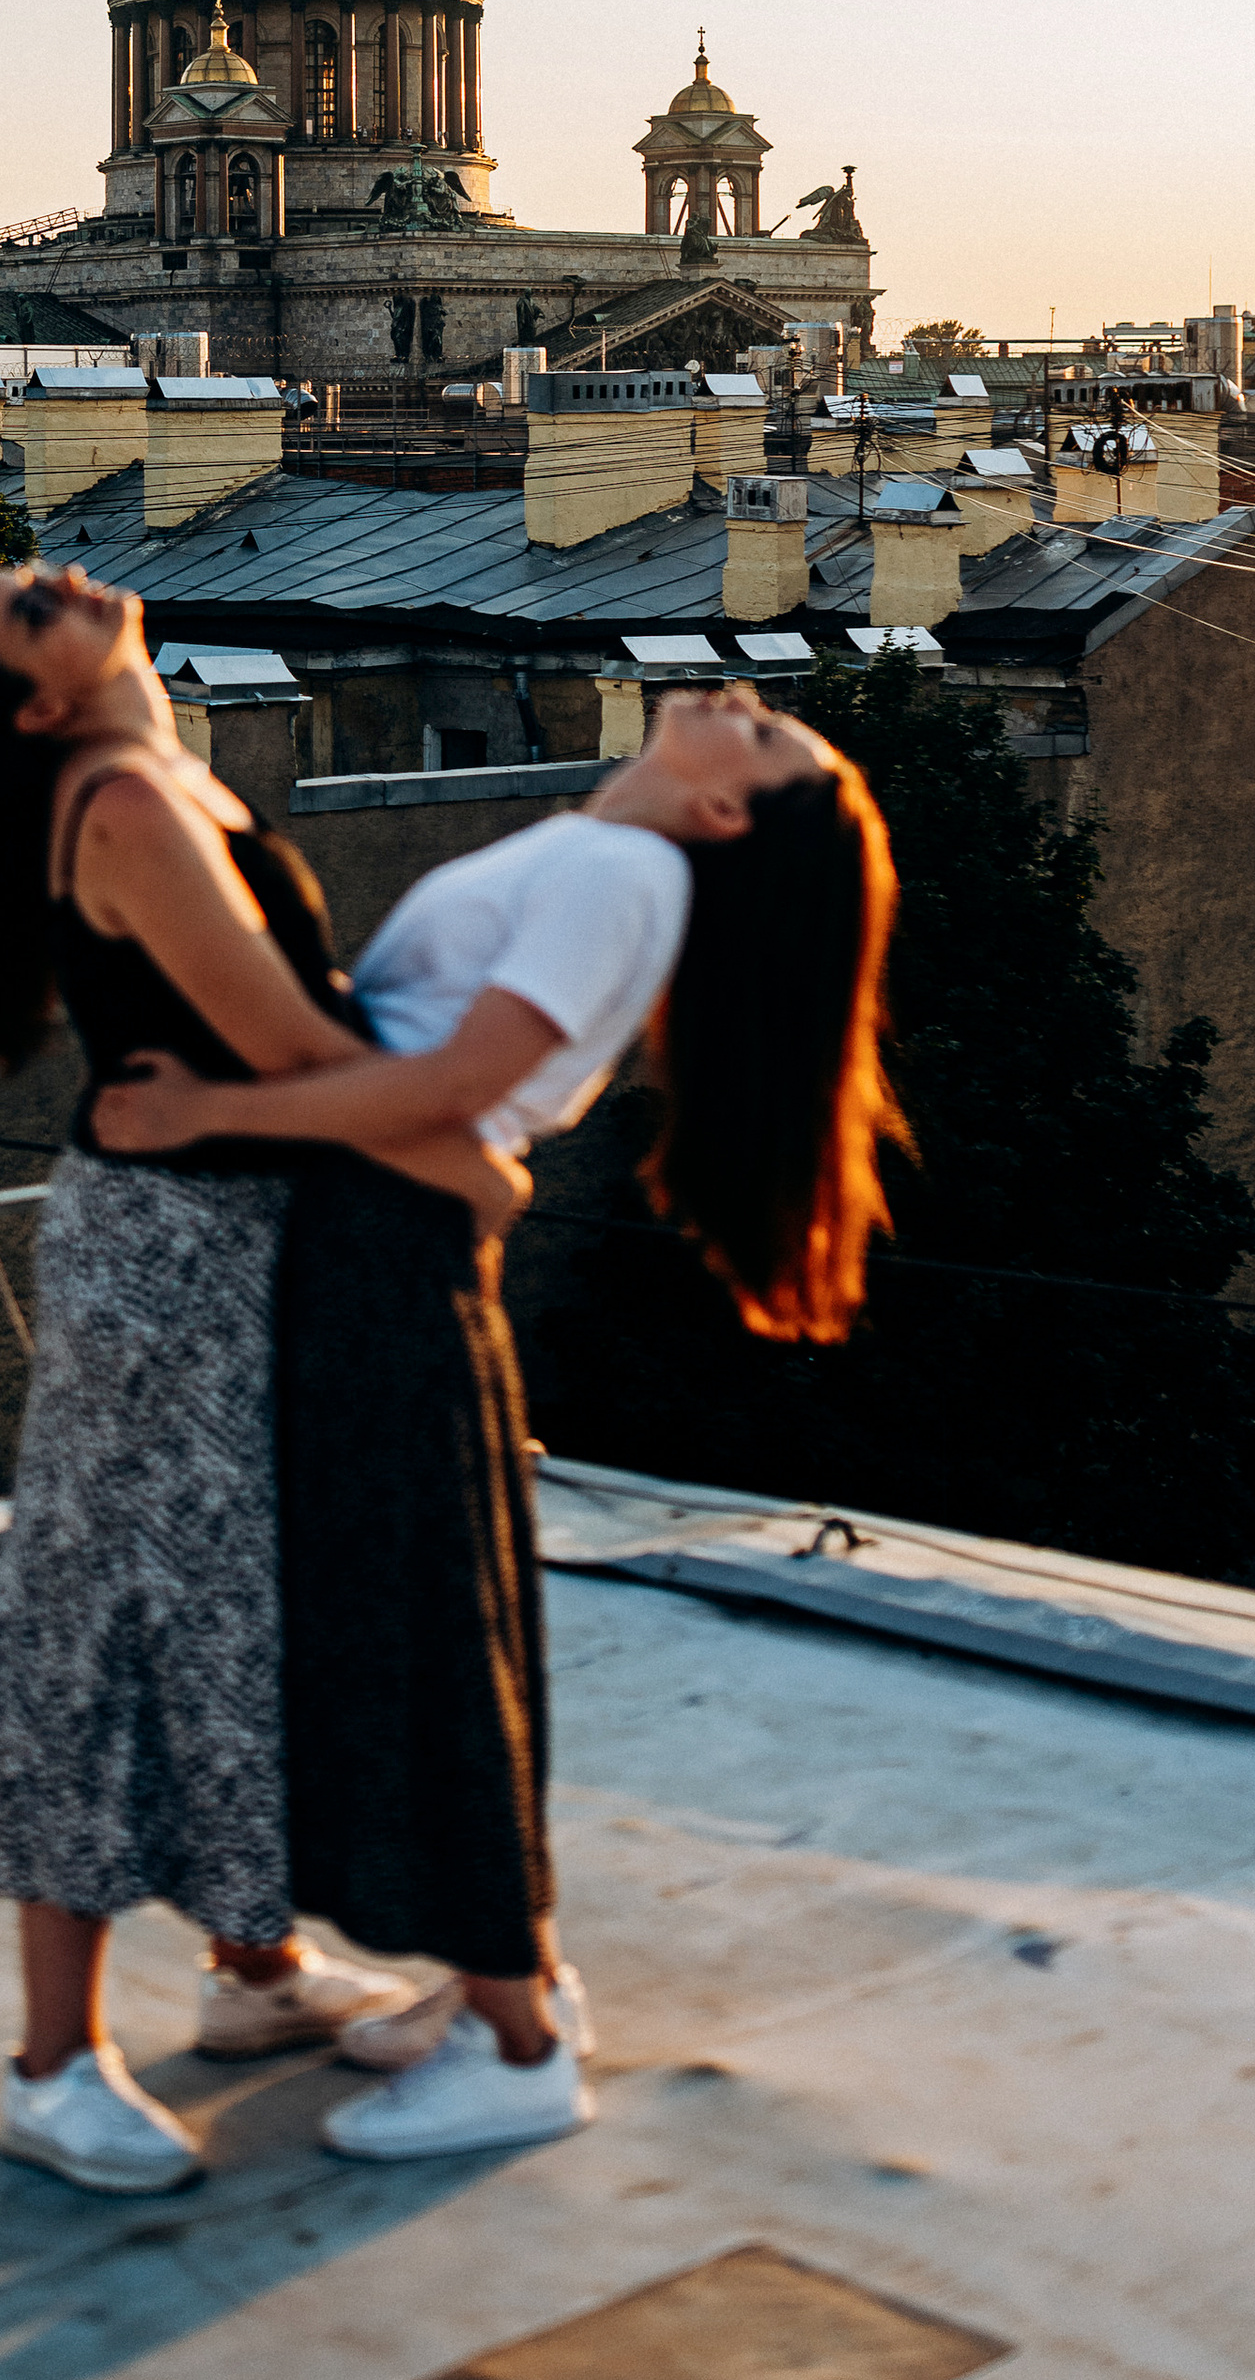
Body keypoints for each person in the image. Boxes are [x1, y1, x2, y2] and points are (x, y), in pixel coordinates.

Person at [93, 686, 904, 2162]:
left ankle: (520, 2044)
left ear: (727, 808)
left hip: (376, 1244)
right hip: (383, 1230)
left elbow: (464, 1085)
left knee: (423, 1631)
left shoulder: (619, 870)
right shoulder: (600, 858)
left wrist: (205, 1112)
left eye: (770, 736)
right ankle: (494, 1991)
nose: (746, 701)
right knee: (425, 1615)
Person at [0, 563, 513, 2197]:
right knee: (103, 1619)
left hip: (237, 1228)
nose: (57, 579)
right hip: (169, 1250)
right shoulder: (127, 803)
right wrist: (453, 1141)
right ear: (37, 701)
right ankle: (50, 2066)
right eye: (30, 610)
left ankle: (255, 1971)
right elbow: (282, 1039)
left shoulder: (150, 771)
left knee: (236, 1599)